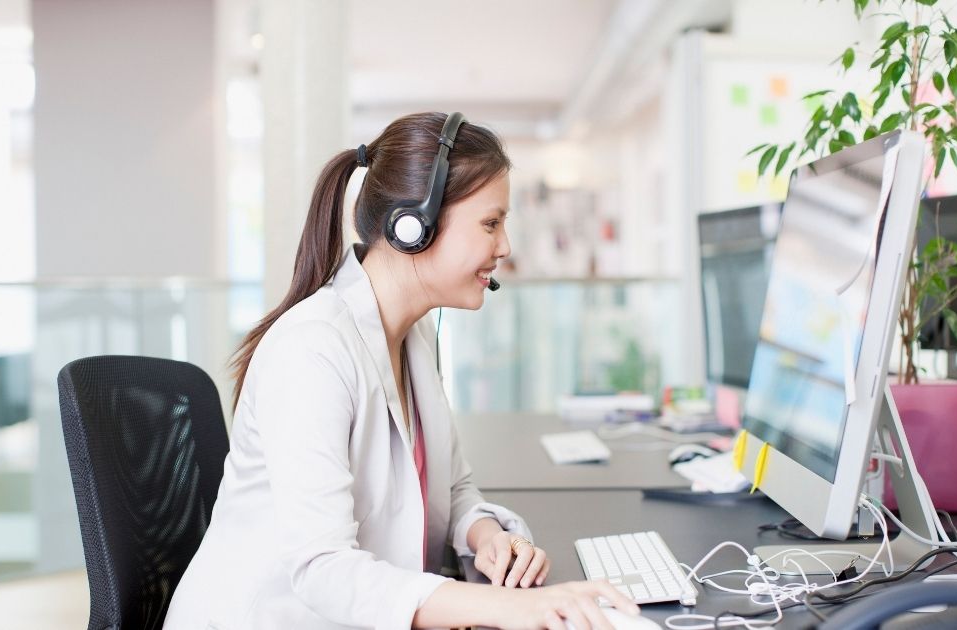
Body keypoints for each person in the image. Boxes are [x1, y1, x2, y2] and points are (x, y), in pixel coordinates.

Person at [164, 112, 639, 629]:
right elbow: (324, 569)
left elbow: (453, 492)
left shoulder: (410, 339)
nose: (504, 247)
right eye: (490, 223)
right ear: (412, 227)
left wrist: (488, 536)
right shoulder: (311, 351)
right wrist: (510, 607)